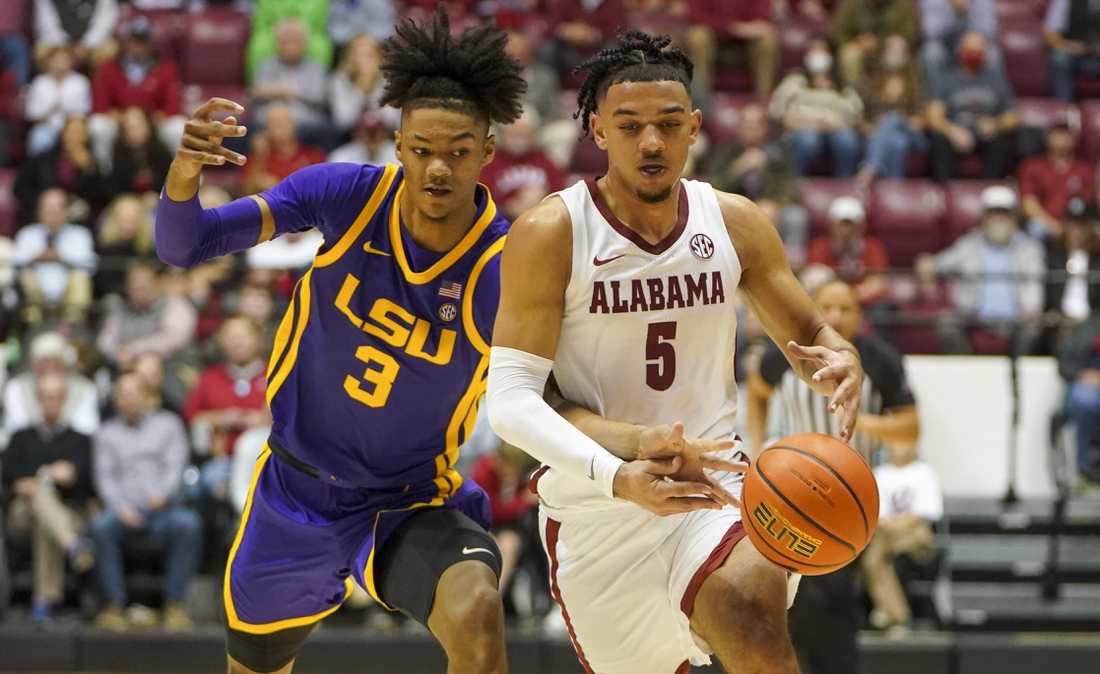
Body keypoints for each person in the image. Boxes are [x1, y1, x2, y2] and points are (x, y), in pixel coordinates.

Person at [155, 8, 528, 673]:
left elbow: (555, 384)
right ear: (397, 142)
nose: (437, 168)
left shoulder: (502, 268)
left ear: (488, 151)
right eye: (420, 149)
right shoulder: (347, 194)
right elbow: (185, 243)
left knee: (477, 610)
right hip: (295, 490)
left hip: (407, 500)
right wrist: (184, 173)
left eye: (457, 151)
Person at [486, 30, 866, 674]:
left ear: (694, 128)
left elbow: (811, 335)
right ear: (598, 131)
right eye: (630, 126)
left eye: (668, 124)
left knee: (753, 624)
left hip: (716, 485)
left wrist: (839, 357)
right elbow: (512, 403)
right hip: (597, 505)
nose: (652, 142)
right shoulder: (552, 231)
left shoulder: (735, 221)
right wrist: (625, 463)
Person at [746, 278, 919, 672]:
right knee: (779, 609)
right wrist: (758, 448)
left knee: (831, 608)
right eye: (828, 307)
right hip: (785, 495)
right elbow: (756, 393)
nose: (837, 315)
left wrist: (861, 419)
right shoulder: (787, 354)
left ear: (860, 315)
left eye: (846, 308)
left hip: (843, 501)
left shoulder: (881, 360)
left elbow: (910, 428)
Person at [90, 373, 201, 632]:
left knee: (189, 524)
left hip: (163, 508)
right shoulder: (106, 433)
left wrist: (163, 492)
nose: (128, 399)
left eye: (133, 393)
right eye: (122, 395)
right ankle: (113, 605)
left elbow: (176, 465)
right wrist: (119, 506)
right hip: (123, 511)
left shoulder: (169, 424)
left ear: (147, 396)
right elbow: (104, 476)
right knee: (100, 527)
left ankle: (175, 604)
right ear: (116, 400)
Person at [1, 372, 96, 625]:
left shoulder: (80, 440)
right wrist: (29, 483)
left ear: (64, 400)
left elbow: (89, 481)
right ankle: (74, 545)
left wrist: (72, 476)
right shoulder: (21, 437)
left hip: (66, 512)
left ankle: (42, 602)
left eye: (55, 396)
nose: (50, 401)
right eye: (45, 396)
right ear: (37, 400)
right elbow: (7, 474)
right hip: (21, 513)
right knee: (40, 496)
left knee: (45, 519)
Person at [915, 186, 1045, 354]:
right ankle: (965, 369)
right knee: (946, 323)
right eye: (994, 213)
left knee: (1033, 327)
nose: (999, 219)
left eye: (1004, 213)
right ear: (984, 216)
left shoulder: (1029, 248)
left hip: (1016, 318)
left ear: (1014, 217)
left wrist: (1031, 309)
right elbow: (936, 263)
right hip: (973, 315)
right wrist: (925, 265)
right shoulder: (969, 244)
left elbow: (1034, 286)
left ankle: (1020, 374)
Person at [707, 103, 808, 264]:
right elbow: (714, 188)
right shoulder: (725, 152)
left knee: (795, 216)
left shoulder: (779, 152)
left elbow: (790, 189)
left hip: (773, 208)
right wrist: (738, 168)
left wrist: (770, 199)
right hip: (735, 210)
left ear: (765, 128)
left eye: (756, 125)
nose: (752, 130)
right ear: (738, 128)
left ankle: (793, 268)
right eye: (747, 125)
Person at [183, 317, 270, 501]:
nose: (236, 342)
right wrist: (221, 419)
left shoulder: (274, 373)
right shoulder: (210, 377)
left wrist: (264, 419)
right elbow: (191, 414)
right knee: (206, 481)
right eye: (230, 337)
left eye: (242, 336)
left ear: (258, 340)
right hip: (224, 460)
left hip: (268, 458)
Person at [862, 439, 943, 632]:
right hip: (884, 529)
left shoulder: (924, 472)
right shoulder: (880, 473)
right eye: (895, 443)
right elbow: (874, 509)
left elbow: (929, 509)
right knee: (872, 559)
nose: (898, 447)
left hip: (914, 530)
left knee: (897, 554)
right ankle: (895, 613)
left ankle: (894, 615)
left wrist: (902, 524)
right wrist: (888, 523)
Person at [88, 16, 185, 170]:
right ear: (125, 42)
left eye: (143, 42)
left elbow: (173, 104)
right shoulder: (108, 67)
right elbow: (99, 104)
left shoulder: (165, 68)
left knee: (178, 128)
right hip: (120, 121)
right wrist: (123, 118)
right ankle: (104, 176)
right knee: (98, 126)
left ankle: (184, 182)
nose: (138, 46)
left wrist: (148, 119)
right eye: (134, 41)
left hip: (152, 121)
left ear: (151, 43)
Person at [926, 30, 1019, 183]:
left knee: (1004, 140)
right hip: (956, 132)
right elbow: (933, 117)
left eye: (978, 51)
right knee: (938, 140)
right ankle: (947, 189)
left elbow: (1013, 116)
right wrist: (952, 130)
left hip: (986, 133)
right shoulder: (945, 79)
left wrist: (996, 124)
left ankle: (990, 188)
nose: (974, 54)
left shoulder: (997, 80)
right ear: (960, 51)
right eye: (970, 50)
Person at [770, 38, 864, 178]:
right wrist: (808, 123)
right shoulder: (794, 81)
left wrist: (837, 123)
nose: (818, 54)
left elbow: (857, 117)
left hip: (836, 128)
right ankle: (796, 183)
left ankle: (845, 186)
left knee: (847, 139)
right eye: (813, 50)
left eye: (822, 50)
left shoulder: (843, 87)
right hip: (802, 128)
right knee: (808, 139)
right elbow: (778, 112)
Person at [13, 188, 97, 324]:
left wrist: (62, 258)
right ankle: (32, 328)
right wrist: (36, 258)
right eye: (48, 209)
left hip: (68, 293)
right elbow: (15, 265)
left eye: (57, 208)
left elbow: (90, 265)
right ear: (39, 211)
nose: (53, 213)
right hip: (37, 294)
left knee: (80, 277)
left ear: (66, 211)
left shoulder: (80, 234)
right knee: (25, 277)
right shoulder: (27, 235)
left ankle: (73, 328)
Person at [467, 442, 541, 597]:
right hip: (481, 522)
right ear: (499, 460)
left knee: (510, 544)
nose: (511, 473)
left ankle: (495, 593)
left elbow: (516, 493)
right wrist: (524, 500)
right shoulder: (483, 472)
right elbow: (492, 509)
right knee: (491, 544)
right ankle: (480, 591)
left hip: (505, 525)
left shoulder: (514, 474)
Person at [252, 18, 338, 152]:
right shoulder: (266, 65)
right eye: (285, 41)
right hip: (269, 121)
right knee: (244, 128)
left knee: (329, 129)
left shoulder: (316, 68)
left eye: (295, 41)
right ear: (277, 43)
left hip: (305, 124)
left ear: (304, 43)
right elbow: (258, 92)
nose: (290, 46)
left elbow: (320, 97)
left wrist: (285, 91)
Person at [96, 261, 198, 371]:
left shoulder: (175, 305)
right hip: (127, 368)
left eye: (147, 281)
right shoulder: (119, 308)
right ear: (127, 287)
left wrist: (134, 350)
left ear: (157, 283)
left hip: (173, 367)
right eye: (136, 282)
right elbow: (106, 340)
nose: (142, 286)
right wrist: (116, 354)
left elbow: (175, 339)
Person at [855, 35, 928, 185]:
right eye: (892, 48)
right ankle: (895, 187)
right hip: (877, 134)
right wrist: (869, 128)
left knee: (893, 118)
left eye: (901, 49)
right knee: (898, 143)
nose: (896, 52)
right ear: (883, 52)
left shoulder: (915, 83)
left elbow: (922, 119)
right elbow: (860, 118)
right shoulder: (870, 82)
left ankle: (871, 167)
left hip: (912, 134)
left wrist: (901, 123)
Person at [13, 115, 109, 225]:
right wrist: (45, 199)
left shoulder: (92, 162)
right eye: (72, 132)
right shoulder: (42, 159)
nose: (75, 137)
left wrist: (89, 169)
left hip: (78, 216)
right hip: (44, 212)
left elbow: (101, 197)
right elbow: (19, 189)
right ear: (63, 134)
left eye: (80, 132)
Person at [3, 331, 100, 436]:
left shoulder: (86, 388)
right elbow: (15, 428)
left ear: (64, 365)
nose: (49, 369)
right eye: (43, 364)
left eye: (54, 363)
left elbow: (88, 429)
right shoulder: (16, 387)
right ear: (33, 365)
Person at [478, 106, 566, 221]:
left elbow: (560, 191)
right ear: (504, 134)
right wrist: (510, 204)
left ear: (533, 134)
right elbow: (481, 195)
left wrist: (542, 200)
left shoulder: (545, 160)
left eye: (524, 133)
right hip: (501, 221)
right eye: (514, 133)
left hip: (542, 219)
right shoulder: (490, 161)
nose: (519, 138)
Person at [807, 197, 891, 307]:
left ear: (861, 226)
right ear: (831, 224)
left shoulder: (872, 246)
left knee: (884, 306)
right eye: (842, 224)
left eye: (851, 224)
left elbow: (880, 281)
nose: (846, 230)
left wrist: (851, 296)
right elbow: (814, 277)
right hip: (829, 302)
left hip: (864, 303)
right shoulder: (819, 246)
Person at [685, 0, 779, 98]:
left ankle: (763, 98)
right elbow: (698, 18)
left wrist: (743, 30)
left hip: (746, 44)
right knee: (698, 37)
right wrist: (733, 28)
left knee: (767, 41)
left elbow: (761, 20)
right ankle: (700, 97)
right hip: (713, 39)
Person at [1017, 124, 1095, 240]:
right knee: (1035, 229)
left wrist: (1073, 227)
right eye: (1057, 135)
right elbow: (1029, 203)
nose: (1061, 140)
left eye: (1065, 135)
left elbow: (1090, 204)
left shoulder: (1086, 171)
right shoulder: (1032, 167)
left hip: (1078, 223)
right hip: (1045, 222)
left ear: (1074, 140)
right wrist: (1053, 225)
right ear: (1047, 138)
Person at [830, 0, 920, 89]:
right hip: (859, 47)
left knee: (896, 51)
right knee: (849, 54)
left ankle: (894, 93)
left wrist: (882, 42)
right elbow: (838, 33)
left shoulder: (902, 5)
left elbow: (911, 34)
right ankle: (853, 92)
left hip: (888, 47)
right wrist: (858, 41)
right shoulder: (850, 4)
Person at [240, 104, 326, 196]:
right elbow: (245, 193)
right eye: (272, 123)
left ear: (294, 126)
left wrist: (277, 185)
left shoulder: (312, 155)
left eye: (282, 122)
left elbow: (320, 190)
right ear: (265, 129)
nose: (278, 127)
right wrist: (260, 155)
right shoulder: (257, 157)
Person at [25, 45, 91, 156]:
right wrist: (51, 110)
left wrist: (66, 115)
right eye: (56, 60)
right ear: (48, 62)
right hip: (47, 127)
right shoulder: (39, 82)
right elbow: (32, 114)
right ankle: (40, 171)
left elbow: (84, 112)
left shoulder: (80, 82)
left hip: (73, 128)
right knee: (39, 137)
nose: (60, 64)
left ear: (71, 62)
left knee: (78, 135)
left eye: (64, 60)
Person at [327, 34, 398, 135]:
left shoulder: (388, 79)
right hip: (349, 137)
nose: (364, 61)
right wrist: (360, 91)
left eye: (369, 55)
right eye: (359, 55)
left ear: (378, 58)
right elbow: (344, 121)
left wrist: (372, 90)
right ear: (349, 58)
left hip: (384, 136)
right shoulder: (339, 80)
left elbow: (391, 120)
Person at [1046, 198, 1100, 325]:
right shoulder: (1053, 257)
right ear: (1065, 225)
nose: (1077, 231)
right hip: (1060, 320)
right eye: (1073, 224)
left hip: (1092, 321)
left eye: (1082, 225)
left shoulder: (1097, 260)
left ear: (1090, 227)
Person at [247, 0, 332, 80]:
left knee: (318, 47)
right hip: (271, 28)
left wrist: (297, 29)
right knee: (260, 47)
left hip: (309, 27)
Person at [919, 0, 1001, 84]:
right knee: (932, 52)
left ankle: (992, 93)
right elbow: (929, 32)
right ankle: (936, 93)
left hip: (972, 45)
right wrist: (954, 12)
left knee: (992, 54)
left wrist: (966, 11)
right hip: (945, 46)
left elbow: (990, 31)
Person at [104, 106, 174, 201]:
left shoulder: (162, 153)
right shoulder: (118, 155)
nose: (133, 133)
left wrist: (159, 196)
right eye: (128, 128)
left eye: (137, 127)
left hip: (159, 203)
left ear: (148, 126)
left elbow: (172, 183)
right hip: (129, 204)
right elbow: (115, 190)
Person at [94, 194, 155, 298]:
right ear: (113, 220)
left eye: (132, 220)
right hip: (113, 299)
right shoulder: (102, 250)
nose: (127, 225)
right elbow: (102, 284)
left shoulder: (147, 250)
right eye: (123, 220)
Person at [33, 0, 118, 69]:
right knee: (41, 50)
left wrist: (86, 43)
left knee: (109, 49)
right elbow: (47, 25)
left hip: (90, 43)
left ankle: (98, 86)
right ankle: (49, 87)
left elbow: (104, 22)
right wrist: (64, 47)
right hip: (60, 43)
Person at [1044, 0, 1100, 103]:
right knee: (1060, 57)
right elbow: (1049, 33)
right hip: (1075, 53)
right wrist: (1071, 46)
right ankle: (1062, 107)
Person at [328, 110, 398, 166]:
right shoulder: (340, 157)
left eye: (376, 134)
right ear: (357, 134)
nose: (372, 138)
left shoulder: (399, 156)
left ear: (385, 134)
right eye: (367, 134)